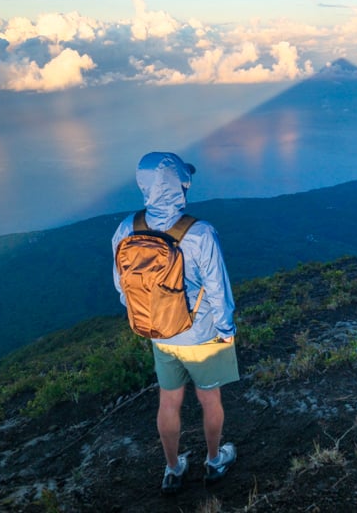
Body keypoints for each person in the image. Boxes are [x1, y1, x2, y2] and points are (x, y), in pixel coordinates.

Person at [112, 152, 239, 494]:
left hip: (160, 335)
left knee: (168, 402)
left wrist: (154, 319)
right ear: (181, 185)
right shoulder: (200, 233)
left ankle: (173, 469)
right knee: (210, 400)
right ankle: (214, 462)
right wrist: (227, 331)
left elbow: (123, 289)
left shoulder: (126, 228)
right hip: (202, 336)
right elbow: (218, 290)